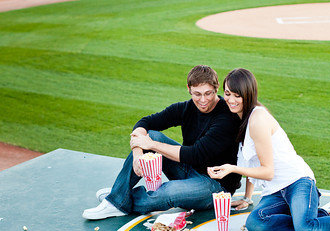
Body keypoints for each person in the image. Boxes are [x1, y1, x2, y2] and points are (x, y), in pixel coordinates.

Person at [207, 68, 330, 231]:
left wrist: (232, 168)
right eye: (228, 93)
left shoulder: (257, 119)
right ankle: (316, 216)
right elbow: (252, 160)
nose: (231, 100)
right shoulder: (240, 117)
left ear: (248, 95)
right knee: (256, 224)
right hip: (275, 191)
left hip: (298, 182)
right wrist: (248, 198)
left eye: (237, 95)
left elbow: (267, 171)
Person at [83, 65, 241, 220]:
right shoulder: (187, 108)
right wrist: (138, 153)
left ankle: (119, 197)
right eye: (197, 94)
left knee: (167, 191)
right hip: (189, 170)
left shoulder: (226, 118)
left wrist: (151, 145)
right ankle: (117, 199)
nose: (203, 100)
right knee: (152, 135)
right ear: (188, 89)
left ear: (217, 87)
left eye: (208, 93)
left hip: (215, 185)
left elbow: (195, 154)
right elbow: (145, 122)